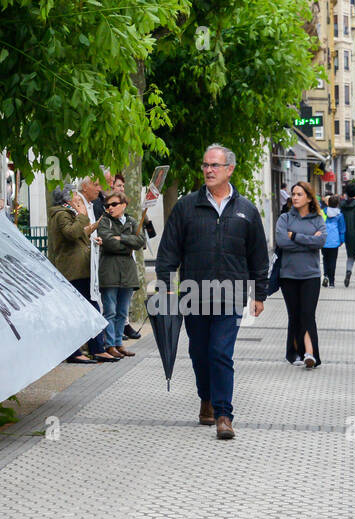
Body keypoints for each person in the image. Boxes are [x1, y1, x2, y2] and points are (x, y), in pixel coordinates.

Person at [155, 143, 268, 440]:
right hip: (194, 293)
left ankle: (223, 414)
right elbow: (168, 251)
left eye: (214, 165)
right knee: (198, 353)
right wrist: (166, 287)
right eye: (205, 165)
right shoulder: (186, 207)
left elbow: (258, 254)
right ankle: (205, 397)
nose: (208, 170)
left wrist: (259, 294)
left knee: (220, 352)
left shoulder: (246, 210)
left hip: (231, 293)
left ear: (229, 169)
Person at [47, 182, 109, 364]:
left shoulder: (67, 213)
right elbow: (70, 234)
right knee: (80, 311)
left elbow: (77, 234)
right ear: (67, 199)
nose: (78, 201)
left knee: (89, 309)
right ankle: (80, 351)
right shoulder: (61, 214)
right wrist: (83, 217)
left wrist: (91, 231)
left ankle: (96, 348)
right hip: (72, 271)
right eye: (75, 198)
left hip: (80, 269)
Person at [274, 181, 326, 368]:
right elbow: (281, 241)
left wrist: (295, 236)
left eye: (299, 194)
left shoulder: (317, 219)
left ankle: (311, 354)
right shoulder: (285, 219)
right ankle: (294, 353)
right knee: (294, 315)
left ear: (309, 198)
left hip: (311, 275)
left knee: (307, 314)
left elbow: (320, 242)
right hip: (288, 275)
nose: (294, 197)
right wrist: (308, 241)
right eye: (293, 194)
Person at [96, 191, 145, 361]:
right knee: (109, 311)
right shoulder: (105, 222)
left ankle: (118, 343)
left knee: (122, 312)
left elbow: (140, 242)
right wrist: (127, 243)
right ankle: (110, 345)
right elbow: (108, 243)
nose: (110, 208)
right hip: (109, 272)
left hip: (128, 273)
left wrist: (120, 238)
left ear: (124, 205)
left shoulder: (132, 221)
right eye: (107, 205)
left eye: (114, 204)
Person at [320, 194, 344, 287]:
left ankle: (325, 275)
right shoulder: (339, 214)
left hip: (324, 240)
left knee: (325, 259)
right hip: (335, 241)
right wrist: (342, 240)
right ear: (337, 204)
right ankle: (332, 281)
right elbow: (342, 229)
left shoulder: (323, 212)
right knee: (333, 260)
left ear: (328, 203)